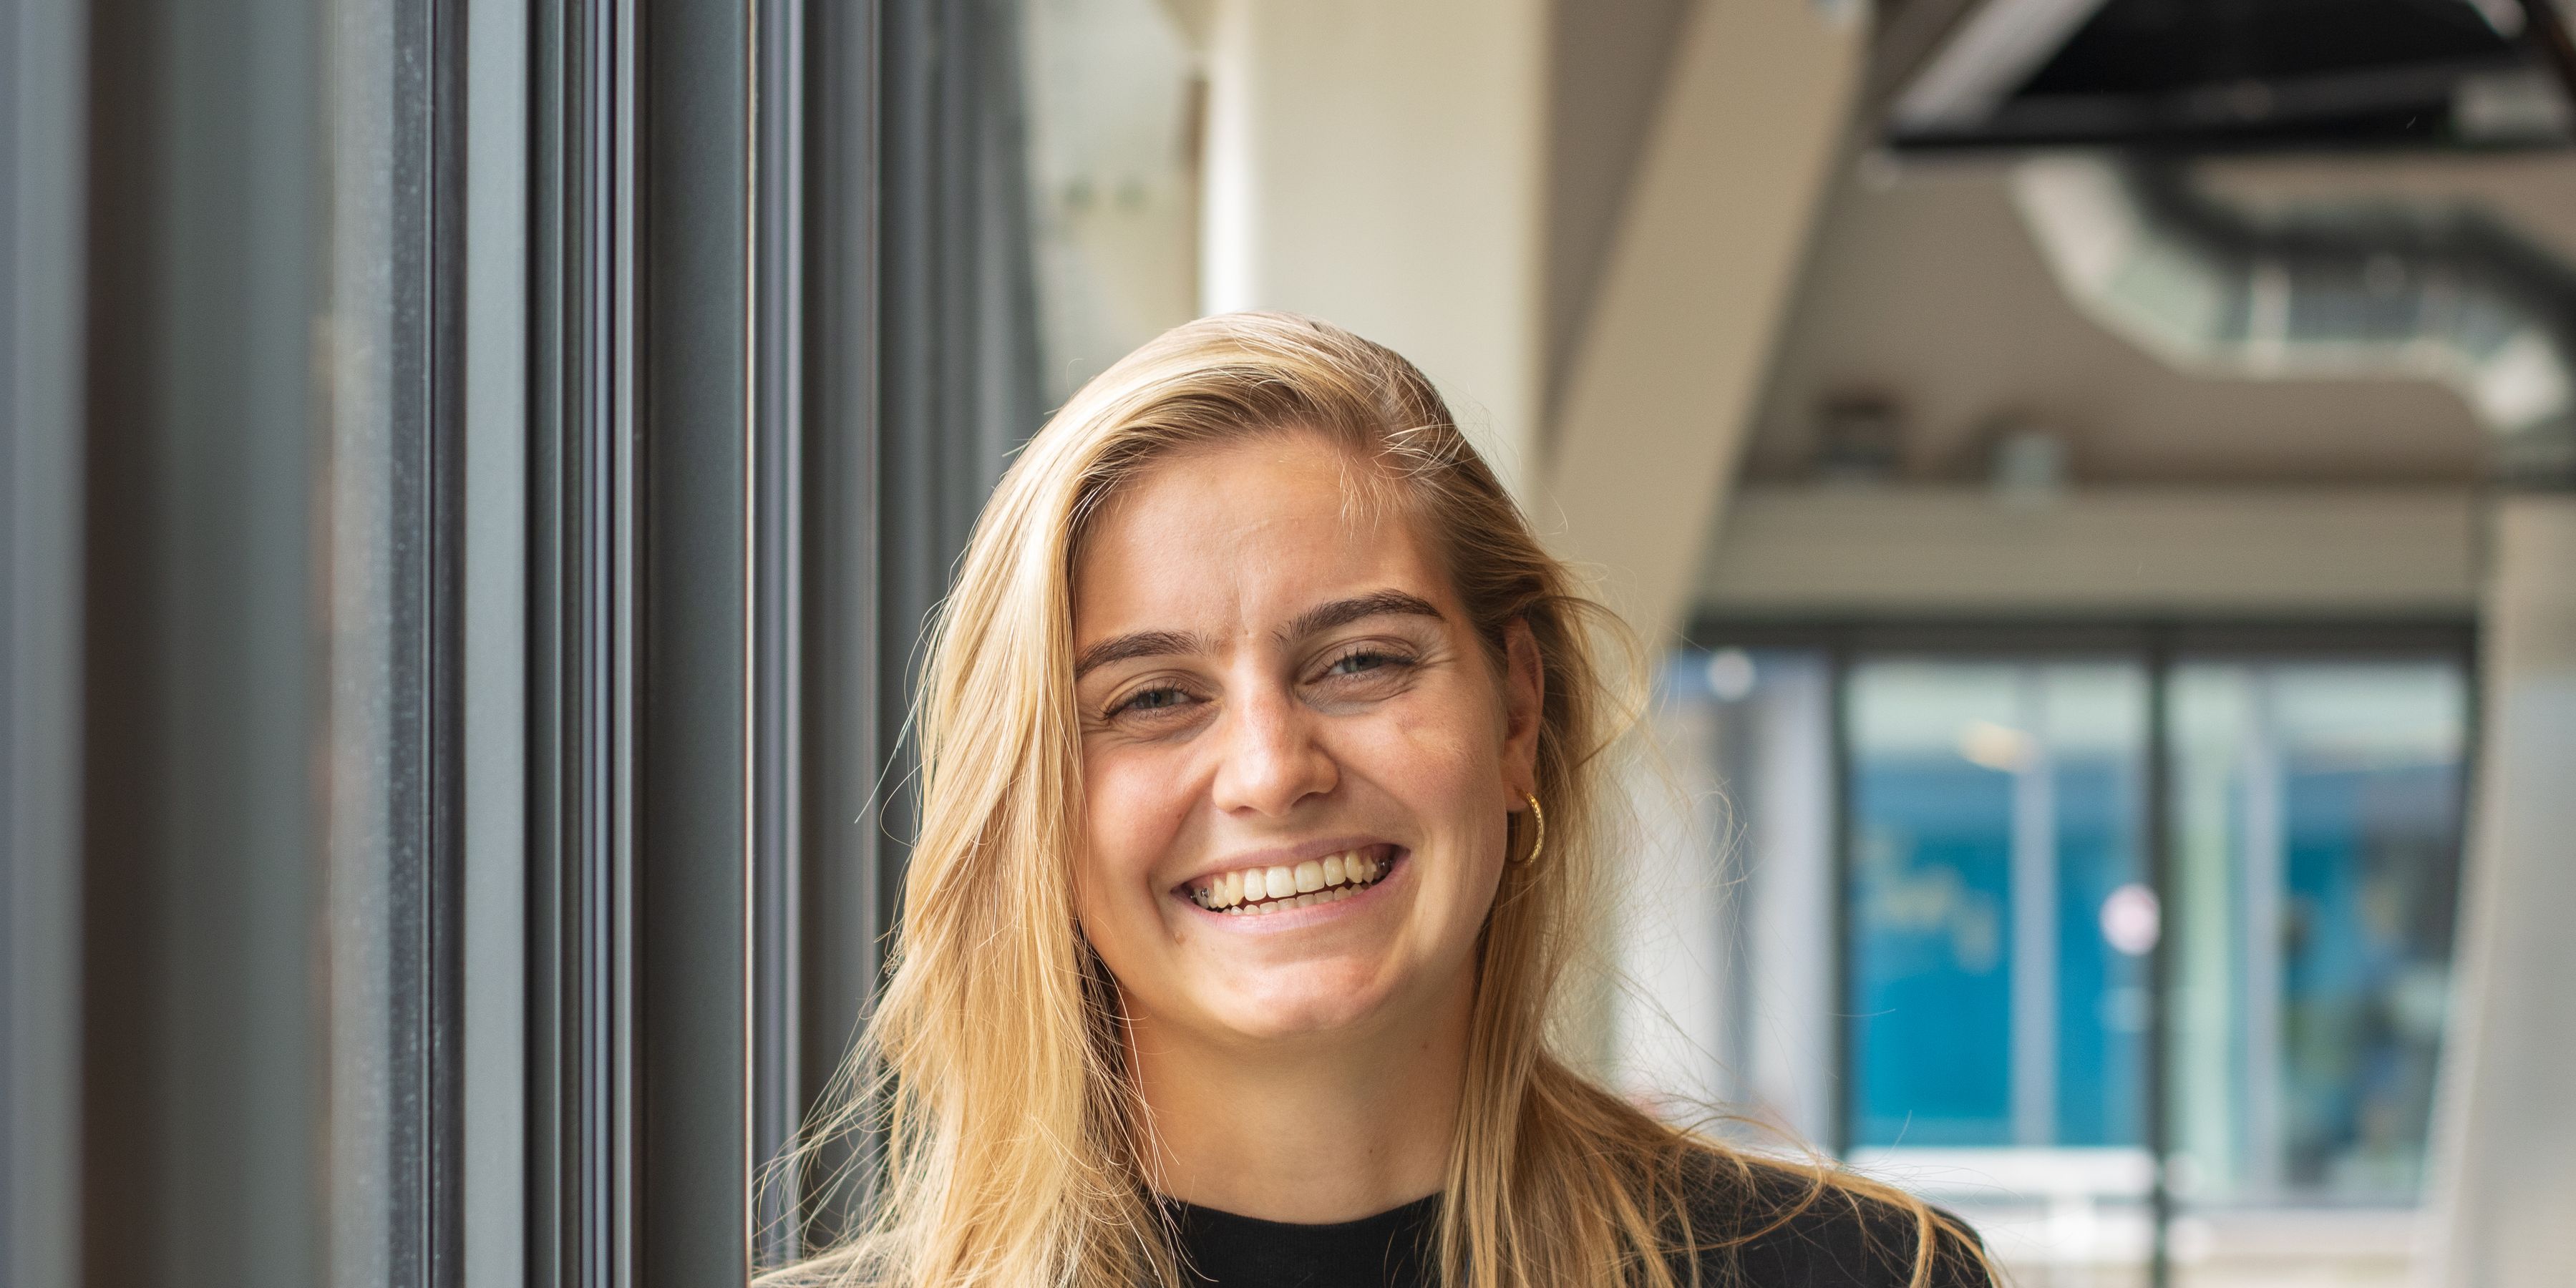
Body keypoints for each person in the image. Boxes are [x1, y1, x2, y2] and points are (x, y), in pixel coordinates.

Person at [767, 313, 1991, 1288]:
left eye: (1360, 663)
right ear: (1033, 798)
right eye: (1150, 698)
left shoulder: (1862, 1277)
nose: (1270, 769)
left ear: (1516, 715)